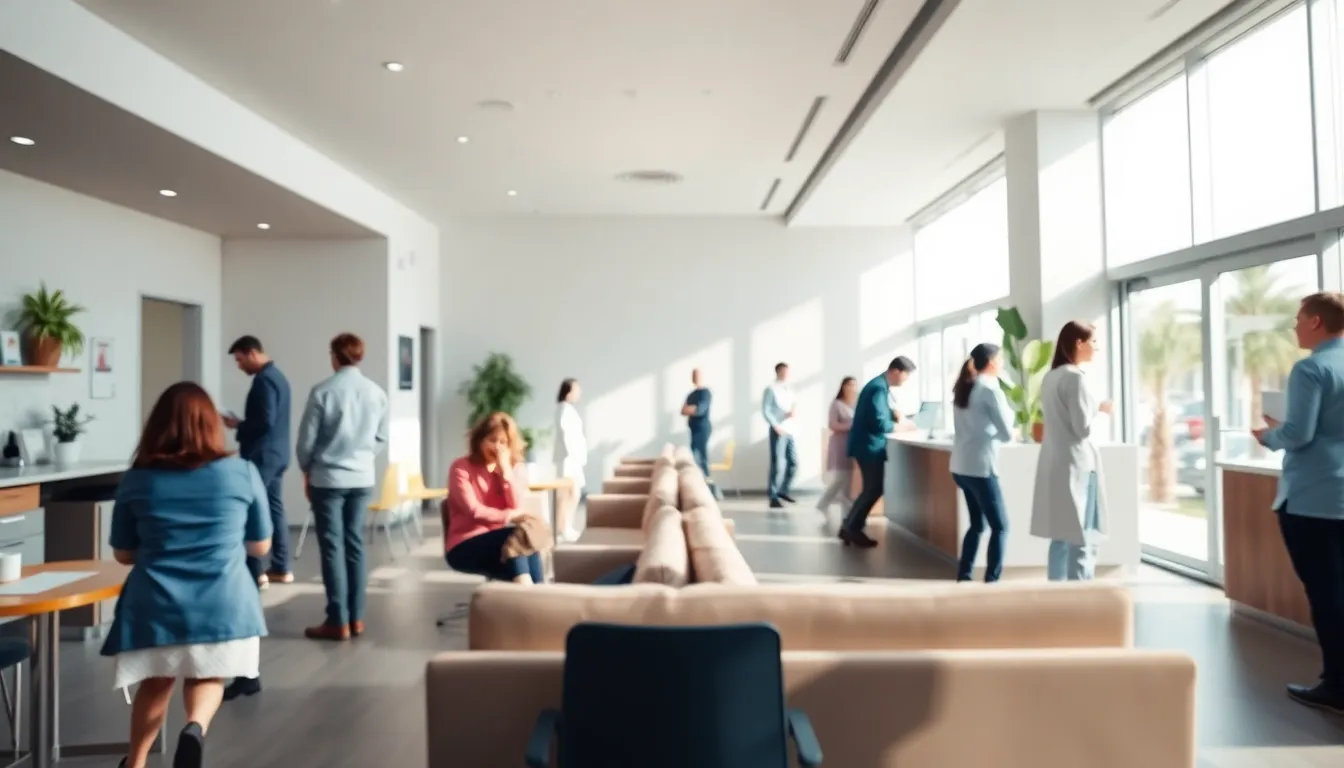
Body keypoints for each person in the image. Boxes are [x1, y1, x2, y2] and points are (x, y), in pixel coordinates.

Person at [103, 382, 271, 768]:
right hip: (223, 604)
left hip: (155, 603)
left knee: (156, 683)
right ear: (212, 424)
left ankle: (136, 763)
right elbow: (260, 546)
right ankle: (194, 728)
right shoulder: (242, 473)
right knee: (208, 676)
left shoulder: (136, 479)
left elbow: (124, 553)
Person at [1251, 292, 1344, 713]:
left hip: (1314, 499)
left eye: (1298, 319)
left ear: (1316, 324)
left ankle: (1338, 687)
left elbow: (1300, 435)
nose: (1294, 327)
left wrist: (1269, 435)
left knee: (1327, 595)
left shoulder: (1311, 368)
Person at [294, 333, 389, 642]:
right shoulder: (376, 393)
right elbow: (381, 438)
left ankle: (338, 620)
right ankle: (357, 617)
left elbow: (306, 442)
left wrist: (307, 469)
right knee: (355, 546)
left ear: (335, 355)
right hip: (362, 479)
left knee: (332, 547)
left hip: (328, 479)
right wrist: (362, 457)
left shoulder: (323, 392)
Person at [1030, 321, 1113, 582]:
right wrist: (1102, 410)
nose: (1097, 347)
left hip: (1057, 463)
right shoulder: (1076, 378)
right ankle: (1081, 599)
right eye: (1094, 342)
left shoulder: (1051, 376)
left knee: (1061, 537)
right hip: (1078, 464)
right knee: (1082, 537)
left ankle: (1057, 599)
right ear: (1079, 343)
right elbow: (1082, 428)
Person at [222, 335, 292, 589]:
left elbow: (264, 421)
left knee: (248, 508)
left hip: (262, 456)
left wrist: (237, 425)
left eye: (240, 360)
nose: (240, 366)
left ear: (252, 353)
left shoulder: (263, 381)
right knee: (274, 509)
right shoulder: (279, 377)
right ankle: (281, 567)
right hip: (278, 454)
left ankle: (255, 572)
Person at [445, 412, 544, 584]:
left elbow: (514, 504)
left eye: (503, 442)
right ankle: (530, 596)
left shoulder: (510, 469)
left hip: (499, 543)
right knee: (515, 538)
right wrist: (510, 516)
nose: (497, 447)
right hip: (464, 545)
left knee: (526, 540)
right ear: (479, 440)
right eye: (491, 440)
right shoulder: (461, 467)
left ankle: (537, 596)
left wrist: (505, 471)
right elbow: (473, 511)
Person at [950, 344, 1014, 582]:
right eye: (1001, 359)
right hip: (981, 468)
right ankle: (991, 581)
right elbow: (1007, 433)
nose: (1003, 364)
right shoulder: (989, 389)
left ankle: (964, 576)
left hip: (961, 467)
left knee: (977, 525)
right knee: (1001, 527)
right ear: (991, 362)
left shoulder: (966, 386)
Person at [841, 357, 917, 547]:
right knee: (873, 488)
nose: (906, 380)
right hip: (869, 446)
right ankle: (853, 528)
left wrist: (894, 415)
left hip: (867, 445)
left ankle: (849, 526)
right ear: (897, 371)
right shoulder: (878, 388)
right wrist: (903, 427)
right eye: (906, 376)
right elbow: (880, 423)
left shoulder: (878, 386)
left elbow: (878, 415)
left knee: (870, 488)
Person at [553, 378, 587, 543]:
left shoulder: (568, 410)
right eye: (576, 390)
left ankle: (565, 527)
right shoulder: (563, 409)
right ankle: (563, 528)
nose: (579, 393)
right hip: (568, 461)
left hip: (573, 460)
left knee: (572, 494)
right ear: (568, 391)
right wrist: (573, 457)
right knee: (569, 494)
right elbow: (568, 437)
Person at [817, 377, 858, 512]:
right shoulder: (836, 404)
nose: (851, 388)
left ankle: (846, 509)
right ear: (843, 387)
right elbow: (833, 425)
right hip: (840, 444)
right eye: (849, 385)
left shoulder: (857, 404)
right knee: (840, 477)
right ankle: (823, 504)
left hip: (853, 443)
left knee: (849, 478)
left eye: (854, 385)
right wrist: (852, 426)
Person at [762, 362, 798, 508]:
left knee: (793, 462)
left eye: (787, 371)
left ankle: (783, 490)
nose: (786, 374)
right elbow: (766, 409)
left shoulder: (789, 388)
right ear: (778, 372)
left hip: (790, 429)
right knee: (777, 464)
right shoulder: (771, 389)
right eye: (783, 371)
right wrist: (775, 425)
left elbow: (794, 404)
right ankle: (773, 496)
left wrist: (793, 411)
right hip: (778, 429)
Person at [681, 368, 713, 480]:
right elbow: (683, 410)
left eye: (697, 375)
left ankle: (707, 485)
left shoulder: (705, 393)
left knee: (700, 457)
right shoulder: (691, 394)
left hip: (702, 429)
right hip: (694, 430)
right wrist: (691, 409)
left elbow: (700, 410)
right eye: (693, 375)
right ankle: (701, 482)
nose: (694, 377)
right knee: (695, 457)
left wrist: (691, 408)